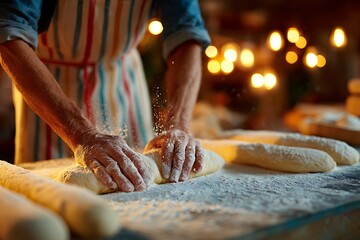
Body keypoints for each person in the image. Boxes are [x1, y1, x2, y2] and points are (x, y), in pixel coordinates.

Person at [0, 0, 211, 192]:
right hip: (48, 93)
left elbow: (186, 34)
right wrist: (81, 134)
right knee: (50, 199)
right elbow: (9, 34)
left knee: (142, 186)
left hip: (123, 83)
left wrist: (179, 124)